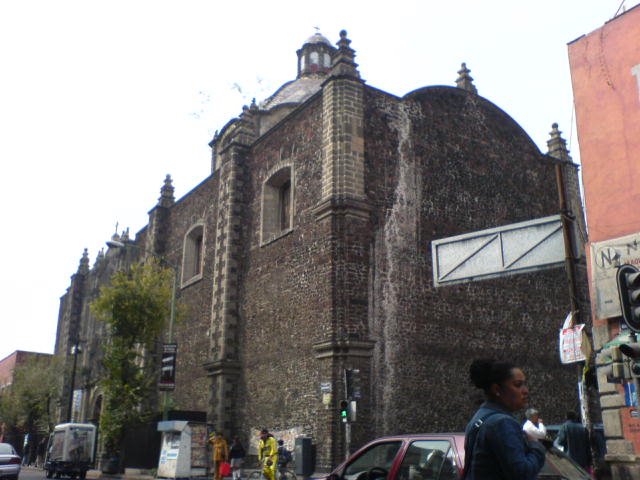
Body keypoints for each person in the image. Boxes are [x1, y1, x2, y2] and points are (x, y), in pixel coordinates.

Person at [464, 358, 546, 480]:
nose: (525, 391)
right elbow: (522, 473)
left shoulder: (480, 417)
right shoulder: (502, 423)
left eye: (524, 384)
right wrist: (536, 446)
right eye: (518, 385)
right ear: (497, 389)